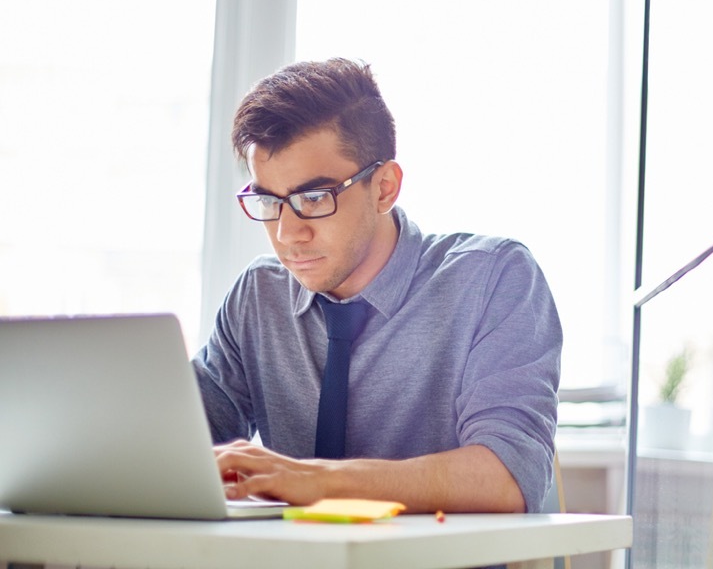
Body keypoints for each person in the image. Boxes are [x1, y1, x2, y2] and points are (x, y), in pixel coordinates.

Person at [192, 58, 562, 514]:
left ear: (384, 187)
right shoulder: (258, 297)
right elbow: (181, 446)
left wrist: (313, 480)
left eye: (313, 198)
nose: (287, 233)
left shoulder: (493, 279)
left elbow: (508, 477)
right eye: (269, 201)